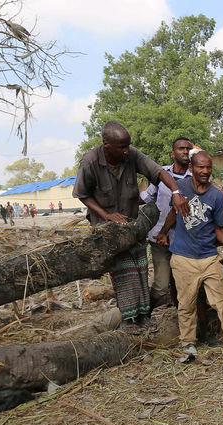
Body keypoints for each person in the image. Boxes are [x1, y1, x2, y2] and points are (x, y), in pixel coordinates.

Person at [73, 121, 189, 334]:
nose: (126, 151)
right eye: (121, 147)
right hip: (108, 232)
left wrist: (175, 192)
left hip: (133, 227)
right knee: (125, 273)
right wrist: (107, 215)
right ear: (106, 144)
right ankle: (128, 320)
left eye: (128, 146)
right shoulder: (90, 162)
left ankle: (144, 316)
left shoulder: (131, 154)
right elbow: (82, 194)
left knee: (140, 270)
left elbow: (158, 172)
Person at [156, 150, 223, 362]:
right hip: (182, 258)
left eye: (208, 167)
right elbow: (173, 213)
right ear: (192, 168)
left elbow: (218, 227)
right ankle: (188, 344)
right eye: (201, 167)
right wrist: (162, 233)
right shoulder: (180, 189)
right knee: (186, 304)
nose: (205, 171)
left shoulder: (217, 196)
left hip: (208, 258)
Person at [141, 137, 193, 308]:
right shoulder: (161, 174)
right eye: (181, 148)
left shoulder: (196, 176)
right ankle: (144, 315)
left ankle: (182, 318)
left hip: (183, 240)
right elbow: (147, 197)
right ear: (173, 153)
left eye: (188, 149)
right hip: (159, 239)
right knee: (161, 285)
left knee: (183, 284)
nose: (185, 152)